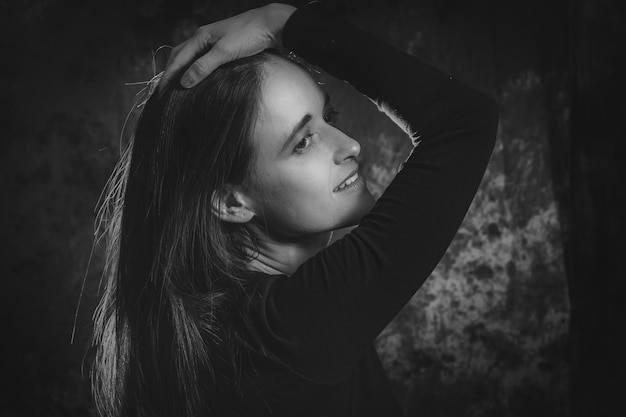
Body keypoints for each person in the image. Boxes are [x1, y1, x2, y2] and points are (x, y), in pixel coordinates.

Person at [91, 1, 499, 416]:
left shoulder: (217, 326)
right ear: (232, 202)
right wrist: (279, 22)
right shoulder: (288, 331)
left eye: (329, 116)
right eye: (303, 142)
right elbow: (466, 121)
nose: (349, 146)